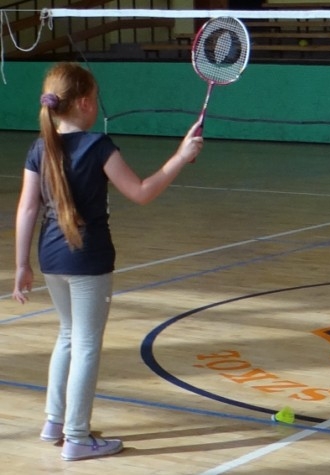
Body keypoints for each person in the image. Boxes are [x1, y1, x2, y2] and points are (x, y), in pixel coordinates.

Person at [12, 62, 203, 461]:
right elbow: (142, 192)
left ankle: (54, 422)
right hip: (88, 259)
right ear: (84, 103)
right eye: (96, 99)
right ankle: (77, 437)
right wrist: (180, 157)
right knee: (85, 345)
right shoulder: (98, 146)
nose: (98, 105)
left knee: (68, 336)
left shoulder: (39, 147)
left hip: (50, 258)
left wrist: (21, 265)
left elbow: (27, 209)